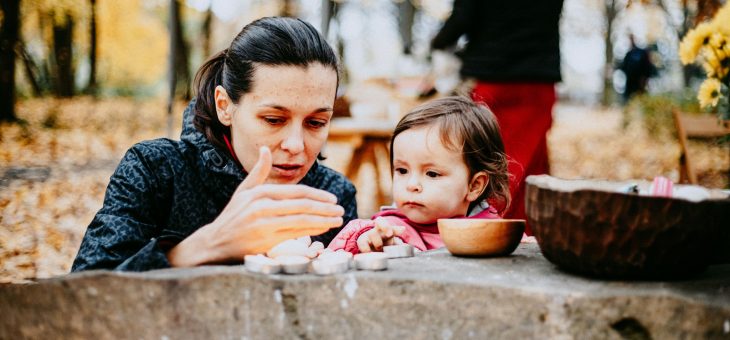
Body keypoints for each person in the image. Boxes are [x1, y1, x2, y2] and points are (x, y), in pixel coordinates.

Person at [71, 17, 357, 271]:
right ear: (225, 107)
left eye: (316, 123)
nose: (296, 145)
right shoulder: (155, 171)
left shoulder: (333, 196)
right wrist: (207, 246)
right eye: (273, 119)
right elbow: (80, 294)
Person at [430, 1, 563, 235]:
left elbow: (463, 17)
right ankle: (533, 232)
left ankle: (487, 232)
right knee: (532, 163)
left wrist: (437, 43)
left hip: (493, 77)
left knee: (490, 160)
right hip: (540, 80)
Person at [327, 96, 510, 253]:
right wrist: (367, 242)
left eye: (431, 174)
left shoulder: (493, 232)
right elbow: (341, 249)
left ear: (474, 185)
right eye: (402, 170)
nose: (411, 184)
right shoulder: (390, 228)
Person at [620, 34, 657, 103]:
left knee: (641, 102)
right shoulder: (628, 55)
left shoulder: (641, 52)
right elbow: (623, 67)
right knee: (629, 102)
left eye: (631, 39)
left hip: (640, 84)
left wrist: (645, 79)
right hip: (630, 85)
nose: (630, 41)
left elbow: (648, 67)